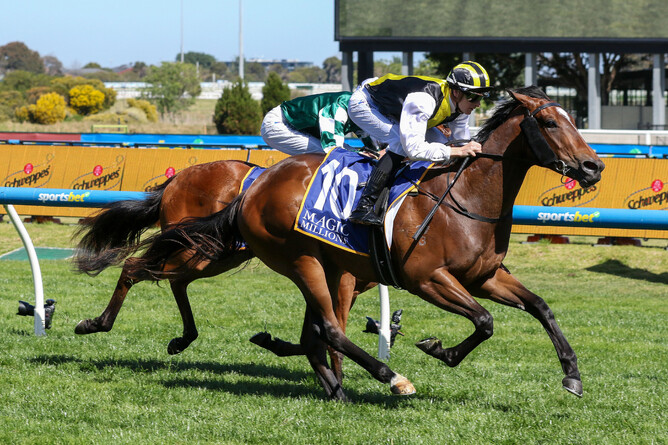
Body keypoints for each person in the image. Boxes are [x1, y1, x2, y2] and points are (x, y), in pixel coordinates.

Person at [347, 61, 493, 226]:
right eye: (473, 97)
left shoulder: (462, 107)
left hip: (395, 109)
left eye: (482, 96)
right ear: (456, 92)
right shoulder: (423, 100)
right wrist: (457, 152)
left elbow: (460, 143)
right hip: (366, 103)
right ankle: (364, 206)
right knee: (400, 144)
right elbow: (413, 150)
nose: (477, 104)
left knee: (443, 143)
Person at [261, 91, 380, 156]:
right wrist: (362, 154)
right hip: (278, 124)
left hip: (295, 126)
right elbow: (332, 149)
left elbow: (375, 148)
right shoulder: (340, 107)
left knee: (352, 153)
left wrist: (376, 153)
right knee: (330, 154)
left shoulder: (361, 112)